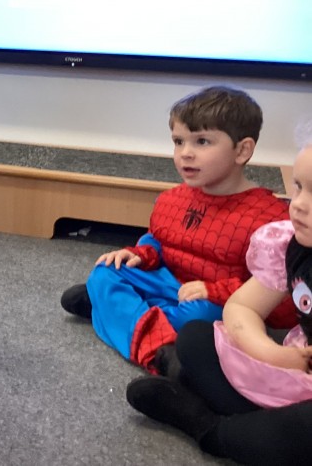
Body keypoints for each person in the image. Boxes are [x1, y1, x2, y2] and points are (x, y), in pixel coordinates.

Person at [61, 85, 292, 373]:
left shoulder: (271, 218)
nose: (186, 154)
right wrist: (139, 255)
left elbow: (275, 293)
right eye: (178, 142)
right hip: (169, 283)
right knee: (105, 272)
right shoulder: (171, 199)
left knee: (197, 320)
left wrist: (212, 290)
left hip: (213, 302)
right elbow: (158, 243)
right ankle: (159, 349)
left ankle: (117, 311)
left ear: (242, 150)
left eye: (202, 142)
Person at [125, 138, 312, 465]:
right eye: (298, 187)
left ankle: (210, 427)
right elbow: (243, 307)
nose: (298, 204)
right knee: (196, 336)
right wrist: (272, 354)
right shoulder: (292, 245)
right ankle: (254, 421)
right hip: (295, 366)